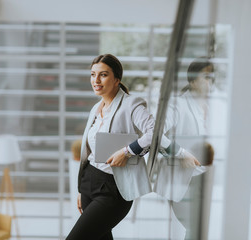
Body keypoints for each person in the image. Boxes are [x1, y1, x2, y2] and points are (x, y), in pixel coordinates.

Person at [66, 54, 180, 240]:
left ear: (117, 79)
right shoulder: (96, 109)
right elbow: (89, 153)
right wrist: (81, 189)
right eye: (93, 74)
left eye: (103, 75)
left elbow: (156, 133)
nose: (96, 80)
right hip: (89, 183)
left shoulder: (131, 104)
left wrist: (127, 152)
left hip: (113, 189)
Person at [153, 57, 216, 239]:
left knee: (199, 230)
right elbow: (156, 135)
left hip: (204, 177)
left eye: (211, 77)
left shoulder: (212, 105)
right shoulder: (178, 104)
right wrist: (182, 154)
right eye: (205, 76)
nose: (209, 81)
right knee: (194, 227)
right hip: (182, 180)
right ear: (192, 81)